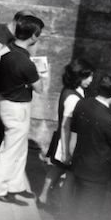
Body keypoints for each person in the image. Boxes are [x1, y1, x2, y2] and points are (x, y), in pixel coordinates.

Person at [0, 14, 45, 204]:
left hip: (6, 100)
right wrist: (40, 72)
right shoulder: (26, 63)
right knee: (11, 149)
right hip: (17, 107)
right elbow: (40, 88)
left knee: (19, 146)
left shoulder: (7, 49)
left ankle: (15, 184)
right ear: (34, 36)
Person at [70, 75, 111, 220]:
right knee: (90, 214)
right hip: (96, 172)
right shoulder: (110, 121)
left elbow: (77, 126)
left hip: (80, 163)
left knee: (77, 206)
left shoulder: (83, 103)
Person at [39, 57, 95, 207]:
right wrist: (65, 152)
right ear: (78, 76)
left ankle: (44, 197)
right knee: (66, 173)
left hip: (66, 139)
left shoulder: (74, 91)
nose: (91, 80)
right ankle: (60, 205)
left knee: (57, 169)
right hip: (69, 141)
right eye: (87, 76)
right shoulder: (72, 98)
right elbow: (66, 126)